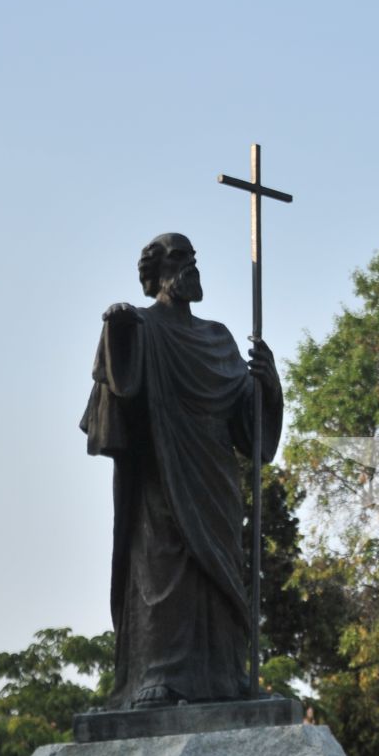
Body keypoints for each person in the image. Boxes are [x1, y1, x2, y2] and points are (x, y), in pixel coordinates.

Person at [80, 233, 283, 708]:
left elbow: (248, 430)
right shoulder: (141, 326)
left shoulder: (218, 337)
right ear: (155, 274)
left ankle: (225, 677)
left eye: (193, 258)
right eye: (178, 258)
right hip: (163, 471)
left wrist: (268, 388)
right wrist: (119, 335)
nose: (190, 266)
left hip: (214, 476)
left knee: (217, 573)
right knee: (165, 570)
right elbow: (120, 394)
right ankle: (159, 676)